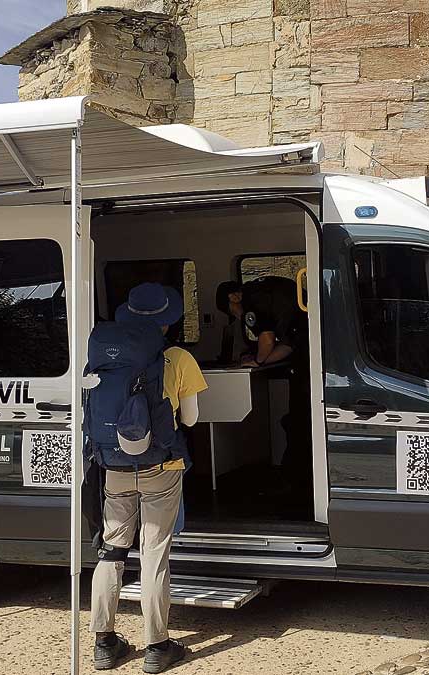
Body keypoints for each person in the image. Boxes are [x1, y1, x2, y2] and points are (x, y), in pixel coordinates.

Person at [91, 282, 207, 674]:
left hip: (114, 465)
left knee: (112, 551)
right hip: (161, 467)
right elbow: (189, 419)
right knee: (154, 555)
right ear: (168, 320)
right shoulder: (177, 358)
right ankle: (158, 647)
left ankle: (104, 643)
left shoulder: (108, 357)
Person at [219, 276, 311, 492]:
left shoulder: (253, 301)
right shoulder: (270, 295)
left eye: (231, 310)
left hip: (304, 357)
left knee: (298, 419)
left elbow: (267, 340)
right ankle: (298, 476)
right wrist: (259, 360)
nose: (237, 316)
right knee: (300, 417)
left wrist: (258, 360)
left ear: (234, 297)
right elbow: (288, 346)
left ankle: (295, 477)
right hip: (307, 352)